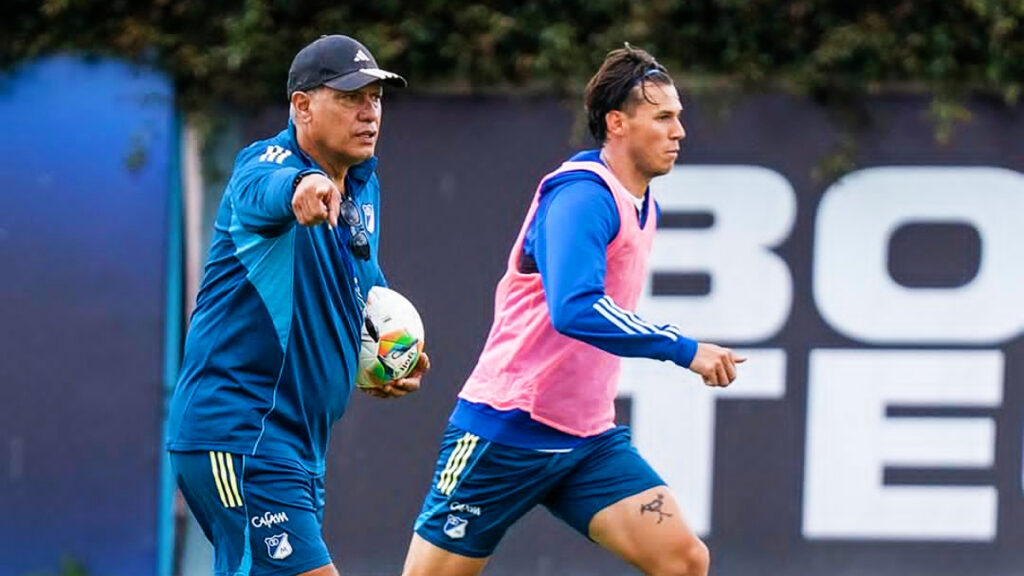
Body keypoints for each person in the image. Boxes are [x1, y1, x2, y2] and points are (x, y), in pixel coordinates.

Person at [401, 44, 744, 576]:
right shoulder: (583, 196)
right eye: (663, 118)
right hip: (506, 429)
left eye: (679, 117)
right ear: (617, 124)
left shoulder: (640, 198)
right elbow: (575, 308)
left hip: (585, 440)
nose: (679, 131)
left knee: (683, 560)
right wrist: (684, 349)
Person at [165, 34, 429, 576]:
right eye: (351, 97)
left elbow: (364, 288)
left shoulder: (363, 189)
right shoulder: (266, 163)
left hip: (296, 444)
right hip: (240, 432)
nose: (369, 112)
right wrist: (302, 187)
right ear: (302, 106)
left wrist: (390, 353)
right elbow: (269, 187)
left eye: (375, 98)